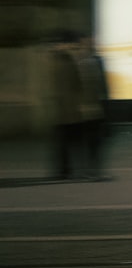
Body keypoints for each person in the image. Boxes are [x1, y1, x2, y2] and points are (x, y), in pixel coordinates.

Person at [50, 32, 110, 180]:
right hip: (84, 108)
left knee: (85, 141)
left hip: (88, 108)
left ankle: (82, 170)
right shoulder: (77, 59)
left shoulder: (91, 59)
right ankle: (83, 171)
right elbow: (78, 84)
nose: (92, 42)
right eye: (89, 39)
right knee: (81, 141)